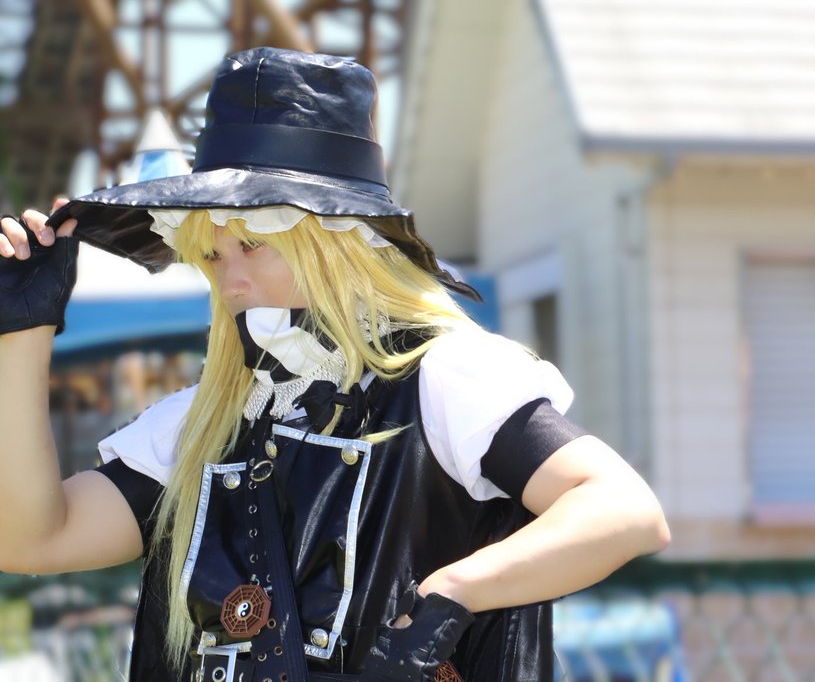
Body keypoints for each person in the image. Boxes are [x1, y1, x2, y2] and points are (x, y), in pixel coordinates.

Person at [0, 47, 670, 682]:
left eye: (252, 246)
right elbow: (32, 539)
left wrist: (456, 591)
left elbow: (625, 510)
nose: (230, 283)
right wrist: (21, 334)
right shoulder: (203, 423)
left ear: (337, 243)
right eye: (212, 255)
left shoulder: (444, 379)